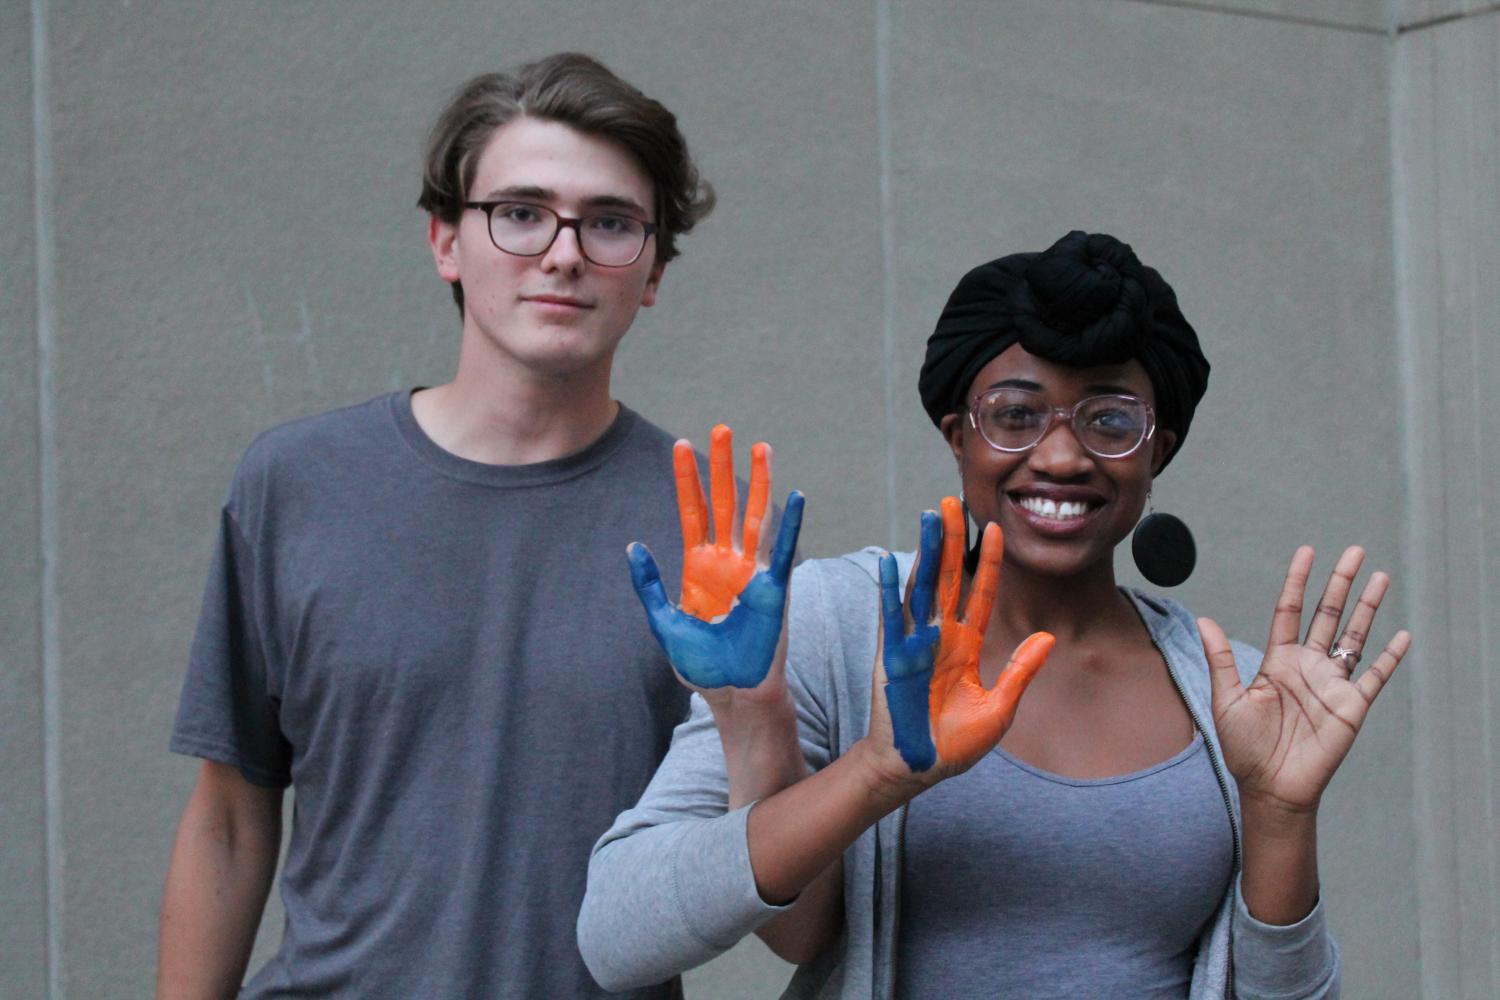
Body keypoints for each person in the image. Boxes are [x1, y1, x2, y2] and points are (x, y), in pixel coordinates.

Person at [578, 231, 1409, 998]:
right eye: (1015, 415)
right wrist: (813, 743)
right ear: (957, 438)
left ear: (1158, 450)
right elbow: (625, 936)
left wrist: (1280, 816)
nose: (1060, 455)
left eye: (1110, 419)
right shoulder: (842, 625)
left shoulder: (1230, 698)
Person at [157, 53, 714, 999]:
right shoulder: (295, 483)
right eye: (522, 212)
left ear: (653, 270)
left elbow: (752, 850)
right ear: (446, 242)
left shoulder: (705, 520)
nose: (565, 251)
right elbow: (230, 819)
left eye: (611, 222)